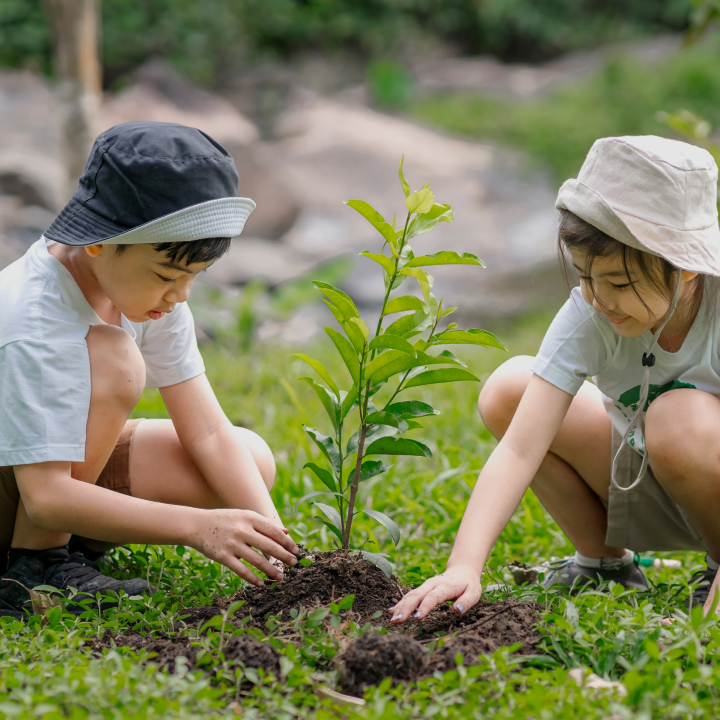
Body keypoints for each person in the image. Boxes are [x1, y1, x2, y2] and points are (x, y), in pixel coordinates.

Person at [390, 135, 720, 624]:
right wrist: (463, 566)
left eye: (619, 283)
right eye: (585, 277)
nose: (598, 299)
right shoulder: (592, 314)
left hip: (704, 471)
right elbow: (521, 449)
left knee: (678, 417)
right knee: (510, 388)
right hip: (641, 479)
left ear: (686, 267)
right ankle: (604, 564)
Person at [0, 121, 299, 619]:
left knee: (250, 458)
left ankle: (68, 552)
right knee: (115, 360)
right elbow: (47, 496)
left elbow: (207, 431)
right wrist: (194, 528)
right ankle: (34, 564)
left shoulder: (143, 294)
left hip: (36, 474)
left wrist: (280, 545)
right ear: (98, 241)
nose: (180, 295)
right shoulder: (33, 315)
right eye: (167, 275)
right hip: (25, 484)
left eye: (192, 278)